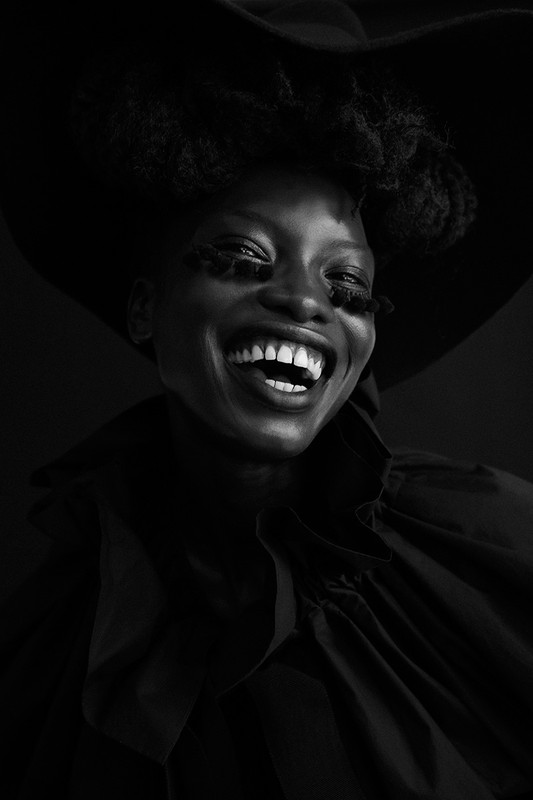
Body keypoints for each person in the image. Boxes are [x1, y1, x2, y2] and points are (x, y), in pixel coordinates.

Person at [1, 1, 533, 798]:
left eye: (345, 285)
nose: (304, 302)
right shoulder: (53, 645)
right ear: (145, 307)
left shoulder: (498, 553)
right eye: (244, 258)